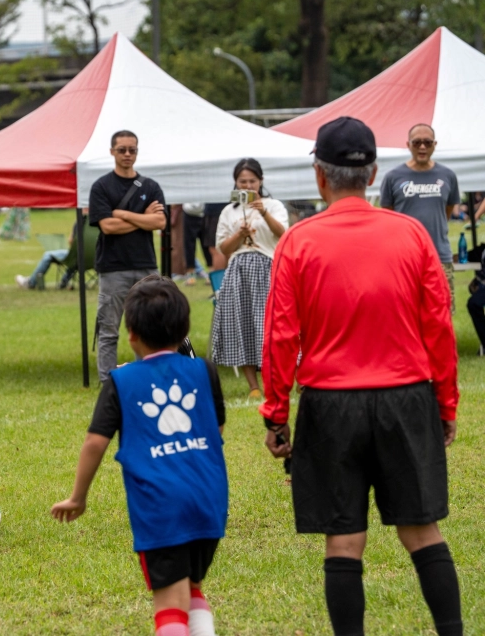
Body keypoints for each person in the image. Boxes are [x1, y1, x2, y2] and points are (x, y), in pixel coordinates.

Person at [262, 117, 462, 635]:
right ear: (373, 173)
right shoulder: (413, 235)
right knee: (423, 533)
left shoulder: (298, 243)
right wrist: (445, 406)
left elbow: (281, 336)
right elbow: (439, 326)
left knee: (344, 541)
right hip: (406, 397)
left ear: (319, 177)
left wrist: (276, 415)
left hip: (331, 406)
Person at [51, 278, 227, 636]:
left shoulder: (122, 380)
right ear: (184, 328)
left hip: (161, 505)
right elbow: (217, 430)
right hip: (209, 499)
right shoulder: (203, 370)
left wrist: (78, 497)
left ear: (130, 334)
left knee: (168, 604)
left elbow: (94, 444)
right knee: (191, 587)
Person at [89, 130, 167, 382]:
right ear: (112, 151)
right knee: (109, 329)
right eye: (121, 149)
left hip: (146, 265)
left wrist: (122, 214)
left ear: (137, 151)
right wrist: (144, 219)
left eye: (132, 150)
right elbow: (107, 227)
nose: (127, 154)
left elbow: (161, 222)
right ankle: (108, 382)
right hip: (113, 268)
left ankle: (145, 377)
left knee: (149, 326)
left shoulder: (150, 186)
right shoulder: (101, 186)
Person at [211, 158, 288, 398]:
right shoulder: (228, 211)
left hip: (268, 268)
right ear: (235, 183)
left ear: (261, 181)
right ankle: (253, 386)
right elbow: (223, 249)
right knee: (241, 324)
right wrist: (239, 234)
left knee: (272, 325)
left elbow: (283, 234)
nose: (247, 186)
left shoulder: (274, 206)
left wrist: (263, 212)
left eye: (252, 181)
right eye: (242, 181)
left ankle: (275, 379)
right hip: (239, 270)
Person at [380, 124, 461, 313]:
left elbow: (447, 209)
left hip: (439, 255)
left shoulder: (448, 175)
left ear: (435, 144)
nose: (422, 147)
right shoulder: (393, 177)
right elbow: (389, 216)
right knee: (406, 313)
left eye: (427, 142)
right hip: (405, 258)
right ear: (408, 145)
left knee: (442, 312)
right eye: (417, 143)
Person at [15, 213, 88, 290]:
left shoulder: (81, 221)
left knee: (48, 255)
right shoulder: (98, 221)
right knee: (76, 256)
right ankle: (64, 281)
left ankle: (30, 282)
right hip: (95, 258)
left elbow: (71, 242)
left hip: (78, 257)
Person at [181, 202, 227, 285]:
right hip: (190, 212)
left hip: (207, 212)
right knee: (189, 246)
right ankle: (191, 275)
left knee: (209, 245)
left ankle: (212, 276)